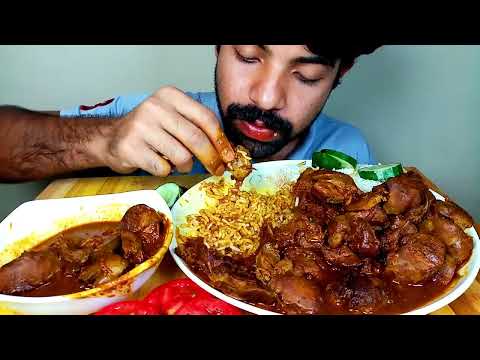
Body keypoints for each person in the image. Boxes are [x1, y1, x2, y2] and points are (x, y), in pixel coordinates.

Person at [0, 44, 380, 182]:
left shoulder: (347, 151)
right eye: (248, 56)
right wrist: (100, 140)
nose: (266, 99)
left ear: (338, 75)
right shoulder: (149, 119)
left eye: (306, 75)